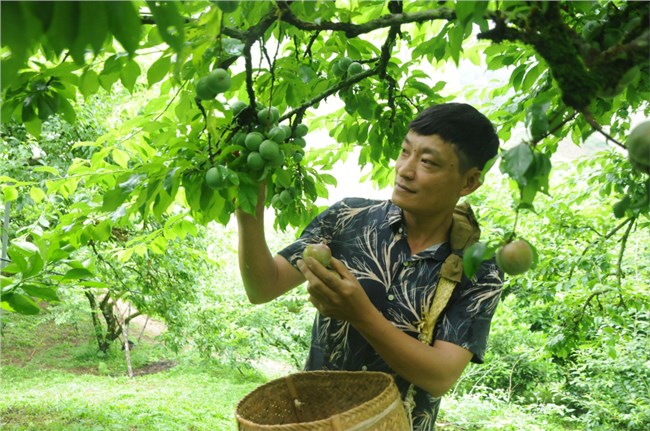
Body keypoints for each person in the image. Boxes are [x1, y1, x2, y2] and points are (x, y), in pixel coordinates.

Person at [236, 102, 503, 430]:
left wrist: (359, 313)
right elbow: (263, 286)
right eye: (405, 152)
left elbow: (439, 376)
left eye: (428, 162)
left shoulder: (478, 269)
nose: (406, 169)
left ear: (469, 182)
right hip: (318, 422)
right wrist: (249, 206)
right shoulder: (348, 219)